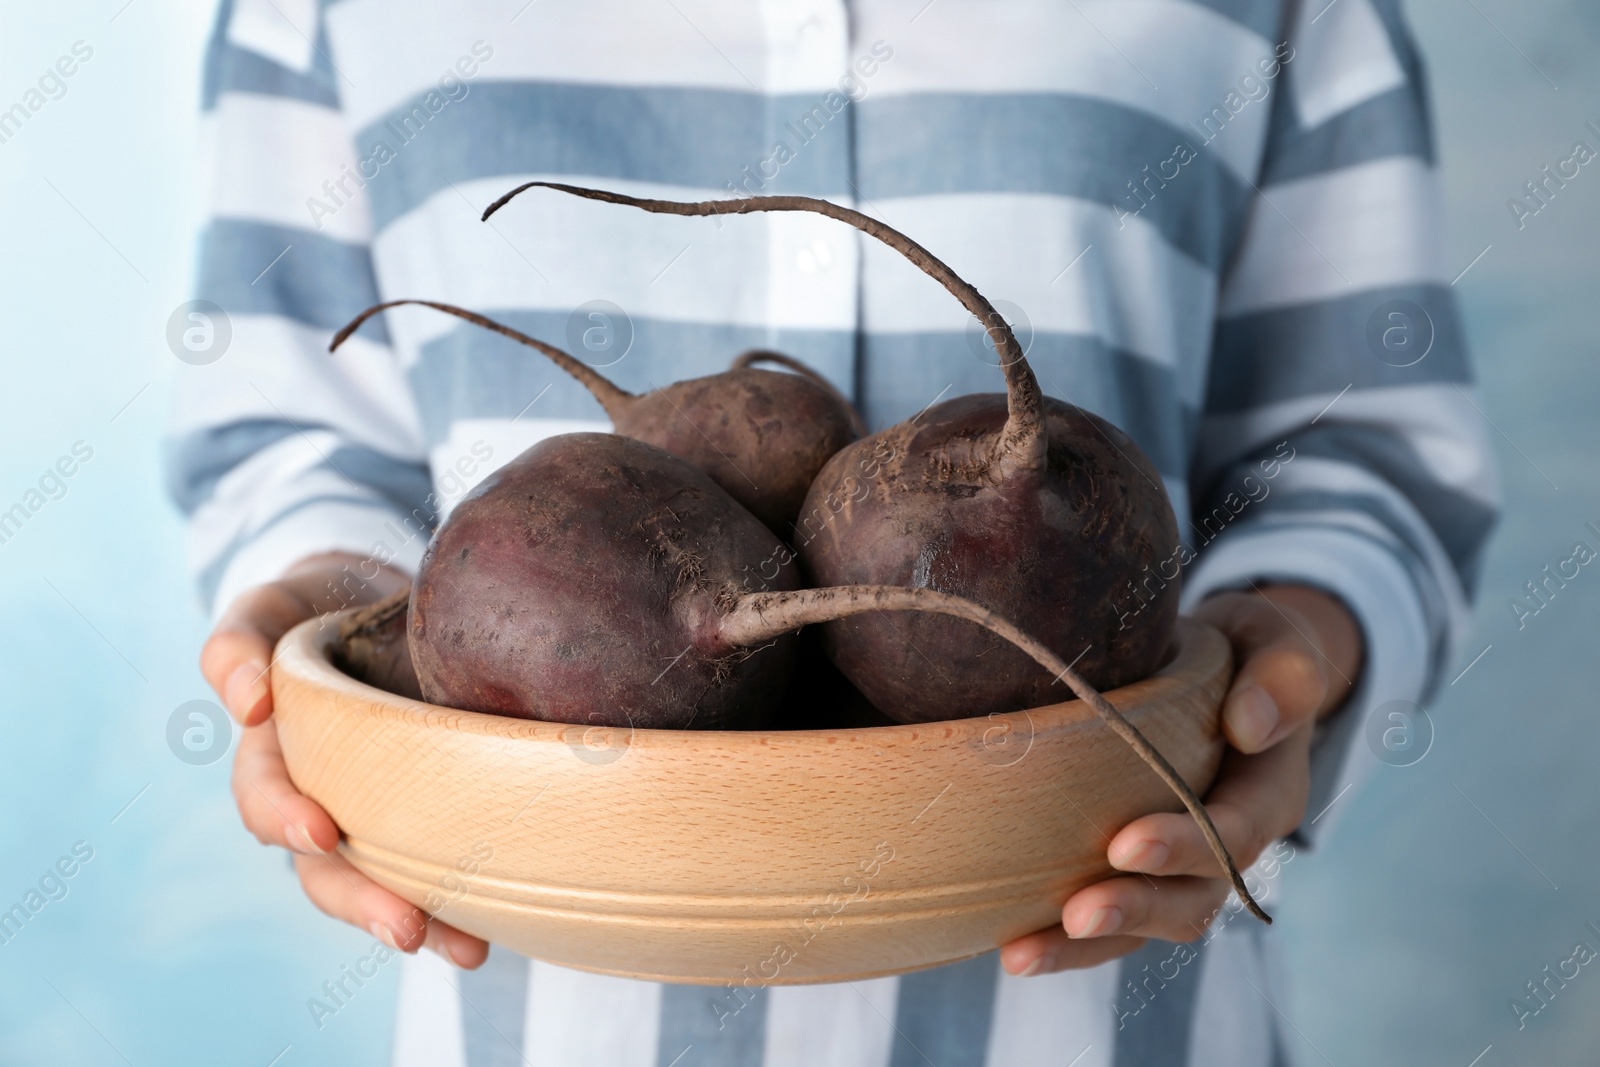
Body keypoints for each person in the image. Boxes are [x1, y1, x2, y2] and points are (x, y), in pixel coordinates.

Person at [172, 0, 1497, 1062]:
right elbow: (290, 444)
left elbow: (1366, 459)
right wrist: (319, 631)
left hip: (1110, 996)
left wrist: (1300, 659)